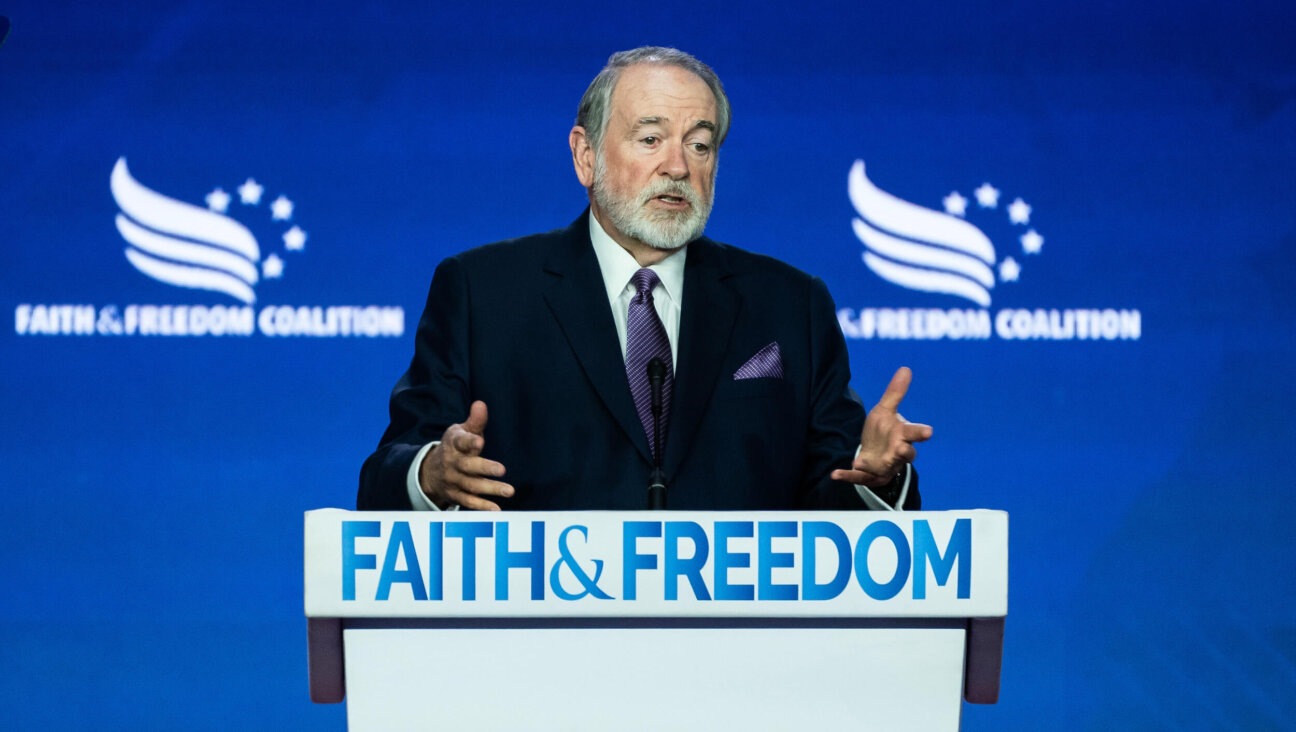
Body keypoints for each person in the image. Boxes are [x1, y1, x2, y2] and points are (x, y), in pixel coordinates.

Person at [358, 47, 931, 512]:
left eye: (700, 145)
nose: (678, 166)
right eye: (651, 138)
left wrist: (874, 478)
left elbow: (831, 499)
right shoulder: (482, 292)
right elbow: (385, 480)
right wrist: (433, 472)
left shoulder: (789, 303)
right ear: (585, 156)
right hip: (543, 642)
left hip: (741, 642)